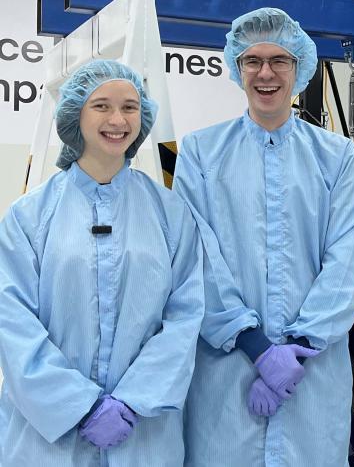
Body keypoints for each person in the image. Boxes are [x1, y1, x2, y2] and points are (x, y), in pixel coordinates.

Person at [174, 7, 354, 466]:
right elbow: (196, 257)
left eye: (279, 60)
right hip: (228, 373)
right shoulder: (201, 153)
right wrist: (258, 349)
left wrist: (297, 350)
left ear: (298, 67)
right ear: (236, 68)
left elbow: (347, 261)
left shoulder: (336, 157)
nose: (266, 73)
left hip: (312, 376)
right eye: (252, 61)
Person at [0, 60, 205, 466]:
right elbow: (13, 323)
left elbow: (185, 316)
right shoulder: (29, 216)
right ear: (76, 114)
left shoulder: (170, 213)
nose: (117, 120)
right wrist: (79, 405)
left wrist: (132, 402)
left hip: (142, 434)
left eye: (130, 107)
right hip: (49, 438)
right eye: (102, 106)